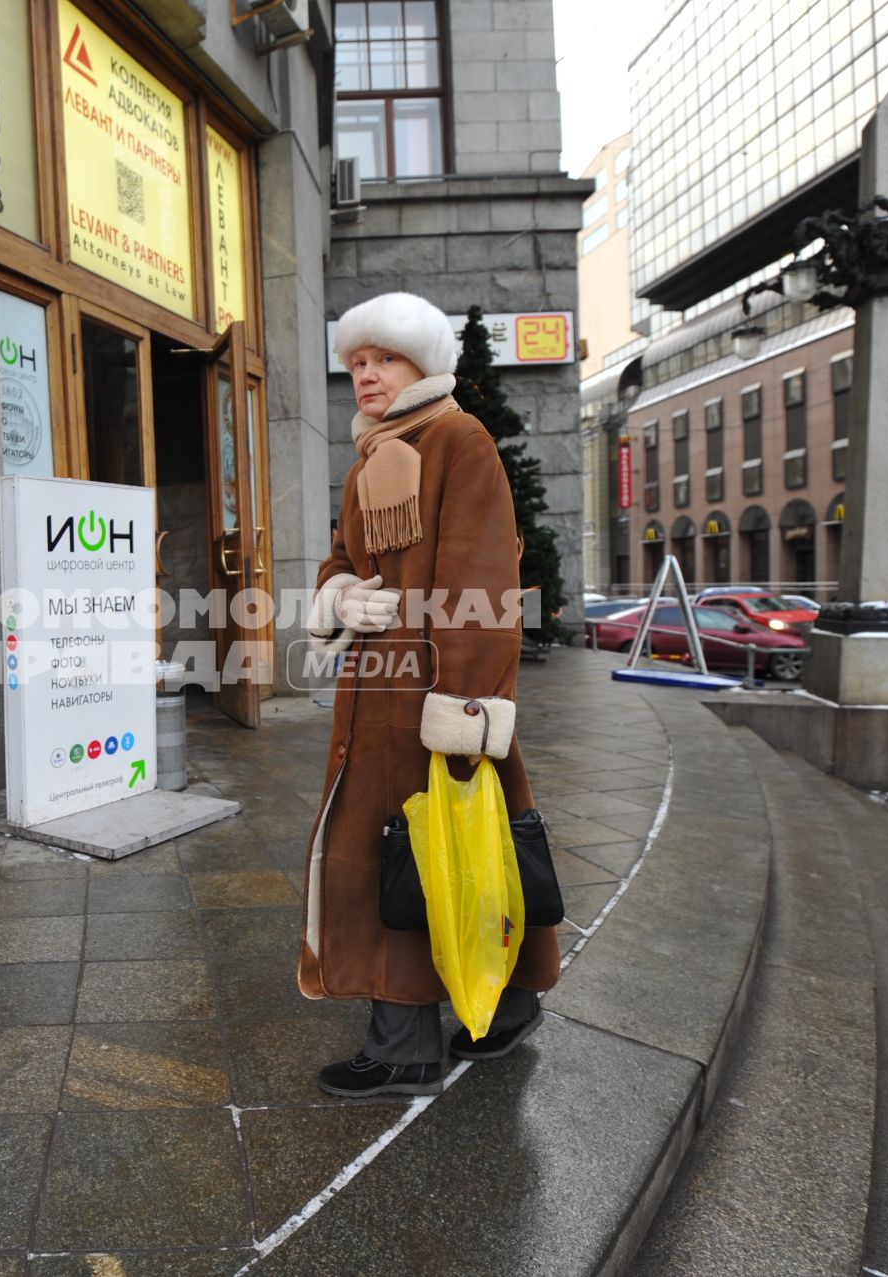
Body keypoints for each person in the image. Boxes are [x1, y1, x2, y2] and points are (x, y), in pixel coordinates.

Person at [301, 292, 560, 1098]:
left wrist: (465, 710)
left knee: (417, 866)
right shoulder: (372, 454)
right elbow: (340, 558)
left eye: (382, 359)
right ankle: (508, 1007)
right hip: (377, 702)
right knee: (456, 863)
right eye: (356, 364)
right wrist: (341, 598)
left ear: (422, 363)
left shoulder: (458, 439)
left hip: (437, 703)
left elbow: (482, 581)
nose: (366, 377)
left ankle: (406, 1046)